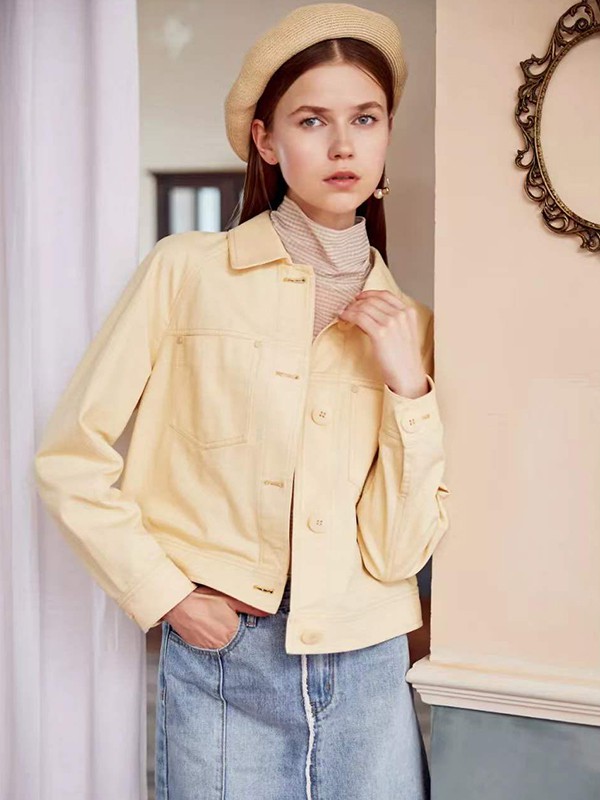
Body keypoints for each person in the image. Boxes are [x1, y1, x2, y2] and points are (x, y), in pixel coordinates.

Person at [33, 3, 451, 798]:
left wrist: (409, 388)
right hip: (227, 657)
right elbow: (69, 457)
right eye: (311, 120)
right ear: (266, 139)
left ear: (387, 134)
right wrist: (168, 597)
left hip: (369, 666)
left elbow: (399, 554)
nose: (342, 145)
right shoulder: (185, 271)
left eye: (364, 118)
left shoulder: (412, 327)